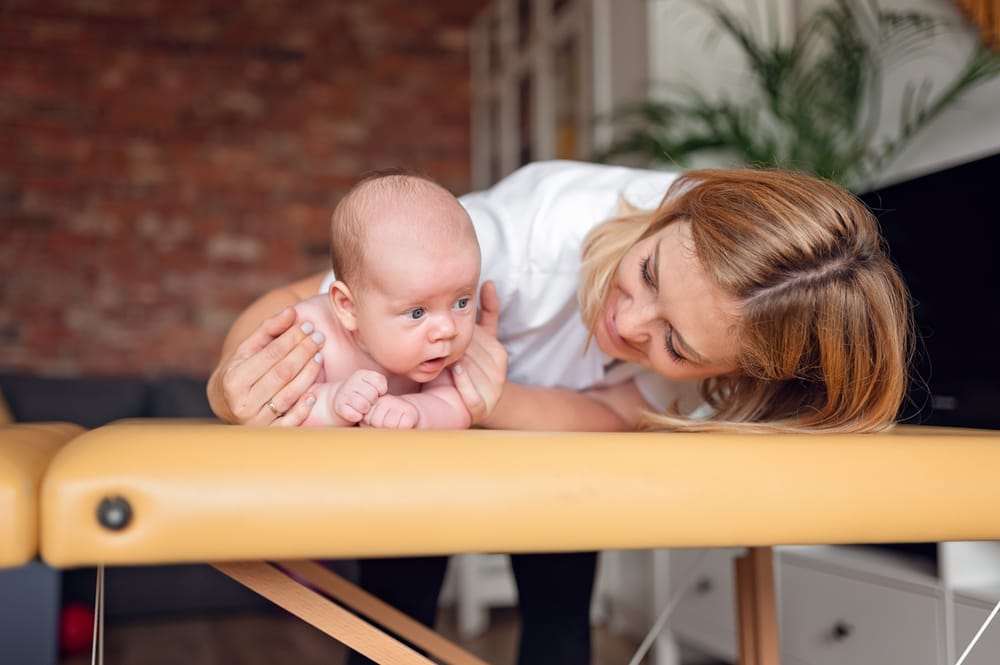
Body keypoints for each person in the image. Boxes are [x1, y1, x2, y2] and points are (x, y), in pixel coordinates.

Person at [207, 160, 913, 665]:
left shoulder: (731, 331)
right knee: (395, 603)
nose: (630, 322)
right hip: (410, 423)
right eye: (647, 275)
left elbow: (616, 411)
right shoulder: (520, 238)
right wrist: (231, 386)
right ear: (670, 215)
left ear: (731, 371)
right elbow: (305, 305)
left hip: (544, 437)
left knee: (560, 599)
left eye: (673, 343)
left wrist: (494, 401)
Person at [288, 171, 480, 429]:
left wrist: (416, 412)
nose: (447, 329)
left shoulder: (443, 353)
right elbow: (283, 407)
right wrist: (332, 403)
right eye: (417, 312)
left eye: (461, 303)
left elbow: (456, 405)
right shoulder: (311, 334)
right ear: (349, 307)